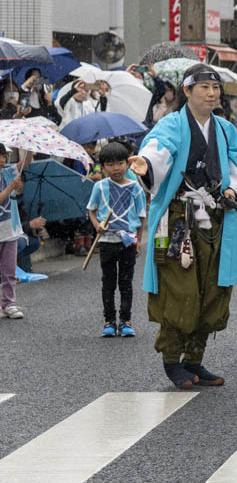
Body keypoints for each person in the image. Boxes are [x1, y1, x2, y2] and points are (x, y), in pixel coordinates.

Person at [128, 64, 237, 389]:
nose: (212, 93)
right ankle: (172, 361)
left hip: (216, 217)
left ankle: (195, 359)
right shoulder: (171, 125)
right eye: (204, 88)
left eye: (215, 87)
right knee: (179, 288)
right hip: (178, 220)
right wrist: (146, 165)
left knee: (212, 288)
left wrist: (233, 189)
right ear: (187, 91)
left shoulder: (225, 130)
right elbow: (158, 152)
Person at [87, 141, 147, 339]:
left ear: (127, 164)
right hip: (106, 243)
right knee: (108, 282)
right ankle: (109, 322)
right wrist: (97, 226)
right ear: (102, 167)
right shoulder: (100, 187)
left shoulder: (136, 188)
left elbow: (141, 217)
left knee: (126, 282)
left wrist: (138, 241)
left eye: (120, 163)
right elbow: (92, 210)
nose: (116, 168)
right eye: (110, 164)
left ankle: (126, 321)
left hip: (128, 241)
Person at [0, 144, 33, 320]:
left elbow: (25, 162)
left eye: (3, 156)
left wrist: (28, 146)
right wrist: (11, 187)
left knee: (9, 270)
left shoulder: (8, 171)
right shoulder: (9, 179)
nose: (2, 160)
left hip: (9, 230)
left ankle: (8, 303)